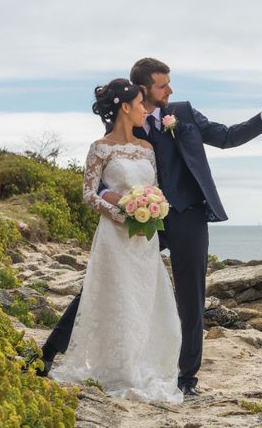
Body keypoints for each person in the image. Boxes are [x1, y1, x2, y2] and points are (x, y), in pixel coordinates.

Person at [40, 58, 262, 397]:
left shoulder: (182, 112)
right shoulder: (130, 124)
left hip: (187, 215)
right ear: (142, 91)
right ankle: (48, 353)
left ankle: (187, 378)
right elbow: (108, 177)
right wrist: (119, 202)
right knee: (102, 283)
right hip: (139, 218)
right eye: (162, 85)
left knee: (191, 296)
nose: (170, 90)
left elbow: (225, 137)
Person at [50, 79, 184, 403]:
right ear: (125, 107)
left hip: (144, 241)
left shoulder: (147, 149)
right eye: (140, 104)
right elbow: (88, 193)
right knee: (119, 301)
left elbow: (153, 190)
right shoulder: (100, 147)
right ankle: (120, 369)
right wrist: (120, 212)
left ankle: (144, 363)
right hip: (114, 238)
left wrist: (152, 206)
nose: (144, 109)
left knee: (146, 300)